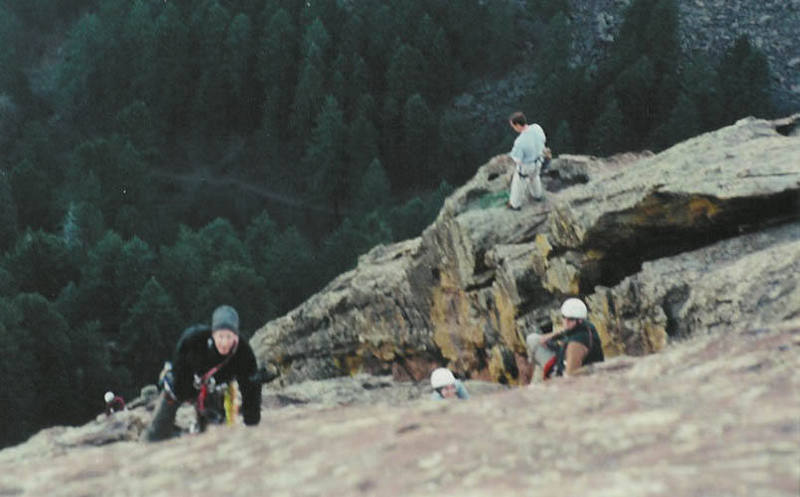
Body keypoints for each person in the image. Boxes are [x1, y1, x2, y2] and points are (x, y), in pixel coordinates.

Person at [143, 305, 262, 441]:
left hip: (214, 389)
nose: (224, 343)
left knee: (214, 434)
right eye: (220, 336)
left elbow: (251, 388)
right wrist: (181, 391)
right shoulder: (193, 340)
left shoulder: (244, 353)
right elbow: (179, 365)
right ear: (213, 334)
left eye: (229, 337)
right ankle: (149, 443)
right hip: (184, 381)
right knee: (158, 427)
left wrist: (252, 424)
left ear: (236, 337)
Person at [526, 298, 604, 380]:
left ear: (580, 320)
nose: (566, 322)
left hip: (565, 376)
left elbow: (569, 377)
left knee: (532, 341)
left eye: (570, 319)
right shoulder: (586, 326)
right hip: (562, 360)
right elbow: (545, 338)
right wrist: (555, 334)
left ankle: (532, 381)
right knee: (533, 339)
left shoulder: (576, 345)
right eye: (564, 317)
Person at [506, 111, 547, 210]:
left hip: (527, 165)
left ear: (518, 125)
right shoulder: (537, 127)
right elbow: (544, 140)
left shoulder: (520, 141)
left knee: (518, 184)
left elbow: (518, 160)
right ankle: (537, 196)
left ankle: (515, 205)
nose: (513, 128)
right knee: (535, 177)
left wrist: (511, 156)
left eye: (513, 126)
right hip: (539, 160)